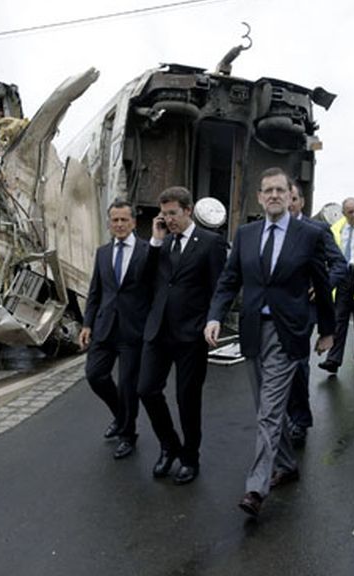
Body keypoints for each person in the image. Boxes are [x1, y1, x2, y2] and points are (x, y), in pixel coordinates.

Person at [204, 167, 336, 518]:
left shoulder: (308, 234)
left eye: (281, 189)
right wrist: (215, 315)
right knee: (265, 406)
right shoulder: (246, 234)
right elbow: (230, 279)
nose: (275, 195)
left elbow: (323, 284)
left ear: (290, 195)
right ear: (260, 197)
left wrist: (327, 329)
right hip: (251, 330)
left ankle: (256, 487)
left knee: (268, 411)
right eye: (268, 190)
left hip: (287, 330)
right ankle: (288, 465)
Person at [138, 186, 227, 485]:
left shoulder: (211, 243)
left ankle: (190, 457)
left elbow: (220, 287)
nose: (169, 219)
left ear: (188, 211)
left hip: (191, 335)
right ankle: (169, 445)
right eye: (164, 214)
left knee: (187, 400)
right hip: (158, 330)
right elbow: (144, 280)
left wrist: (212, 320)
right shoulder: (161, 243)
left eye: (173, 213)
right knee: (146, 390)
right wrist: (154, 241)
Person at [79, 199, 153, 459]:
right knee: (95, 375)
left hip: (134, 330)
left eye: (124, 220)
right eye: (115, 220)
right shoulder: (102, 253)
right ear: (109, 223)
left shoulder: (147, 251)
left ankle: (128, 435)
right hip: (104, 327)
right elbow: (95, 292)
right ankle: (120, 416)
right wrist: (87, 323)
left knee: (128, 386)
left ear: (133, 222)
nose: (119, 224)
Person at [286, 184, 347, 446]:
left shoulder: (317, 230)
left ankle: (299, 420)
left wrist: (322, 287)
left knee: (297, 363)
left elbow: (339, 265)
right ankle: (277, 417)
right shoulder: (265, 230)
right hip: (272, 309)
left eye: (294, 199)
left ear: (301, 202)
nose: (288, 204)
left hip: (303, 309)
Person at [320, 198, 354, 374]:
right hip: (343, 274)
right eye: (350, 212)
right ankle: (333, 360)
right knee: (339, 318)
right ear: (343, 213)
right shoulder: (336, 228)